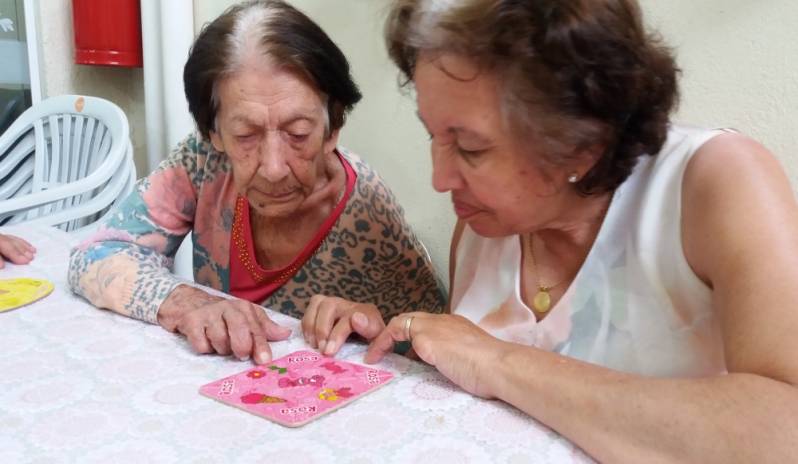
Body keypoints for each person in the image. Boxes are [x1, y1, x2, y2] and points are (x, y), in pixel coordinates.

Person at [316, 0, 798, 461]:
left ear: (581, 142)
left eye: (471, 149)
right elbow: (471, 398)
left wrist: (500, 362)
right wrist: (382, 347)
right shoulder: (485, 224)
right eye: (433, 135)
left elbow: (785, 430)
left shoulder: (715, 182)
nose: (439, 179)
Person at [68, 0, 446, 365]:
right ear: (212, 132)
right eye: (245, 135)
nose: (273, 168)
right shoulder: (204, 161)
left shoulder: (367, 214)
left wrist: (372, 328)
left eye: (298, 133)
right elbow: (96, 254)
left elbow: (429, 352)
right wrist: (189, 301)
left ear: (333, 128)